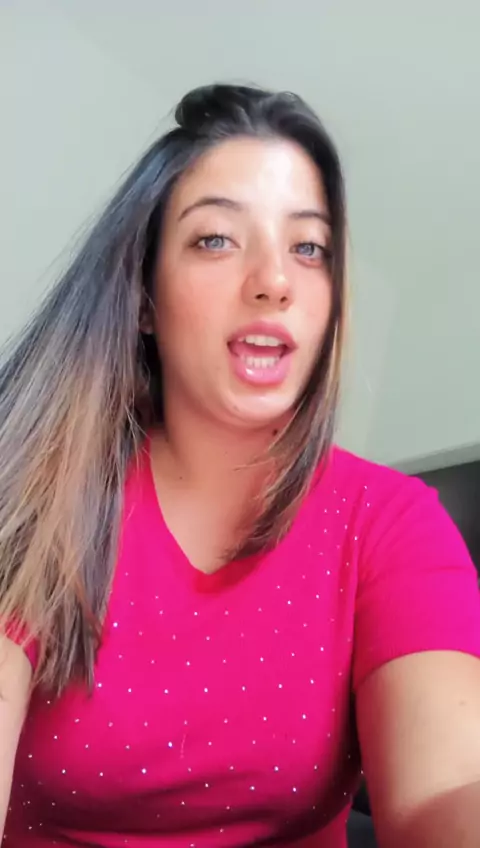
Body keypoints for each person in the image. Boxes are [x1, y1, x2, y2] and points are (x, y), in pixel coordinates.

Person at [0, 83, 479, 848]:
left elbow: (444, 791)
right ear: (144, 298)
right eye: (217, 239)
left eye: (309, 248)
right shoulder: (36, 492)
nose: (274, 280)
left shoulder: (390, 523)